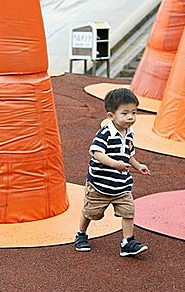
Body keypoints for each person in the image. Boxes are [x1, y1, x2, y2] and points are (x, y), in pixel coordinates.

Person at [74, 88, 150, 257]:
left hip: (121, 185)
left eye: (134, 113)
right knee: (91, 213)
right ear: (111, 116)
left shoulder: (129, 134)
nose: (130, 117)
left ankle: (127, 242)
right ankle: (81, 234)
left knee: (128, 211)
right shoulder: (105, 133)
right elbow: (96, 152)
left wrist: (138, 166)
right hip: (99, 184)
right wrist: (114, 164)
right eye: (125, 113)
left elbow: (128, 155)